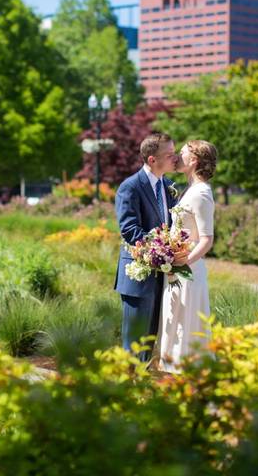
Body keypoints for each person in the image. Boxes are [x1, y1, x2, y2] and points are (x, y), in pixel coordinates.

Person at [114, 132, 180, 362]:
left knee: (150, 342)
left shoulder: (170, 186)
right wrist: (162, 250)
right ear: (152, 159)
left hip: (164, 276)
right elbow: (129, 230)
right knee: (133, 342)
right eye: (170, 154)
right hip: (137, 275)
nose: (176, 158)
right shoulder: (130, 187)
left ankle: (141, 390)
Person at [158, 140, 217, 373]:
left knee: (186, 325)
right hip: (177, 269)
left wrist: (183, 261)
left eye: (181, 153)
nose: (176, 157)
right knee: (176, 322)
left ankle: (188, 375)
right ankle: (174, 374)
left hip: (188, 271)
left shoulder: (202, 193)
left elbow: (206, 239)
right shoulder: (189, 189)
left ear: (194, 160)